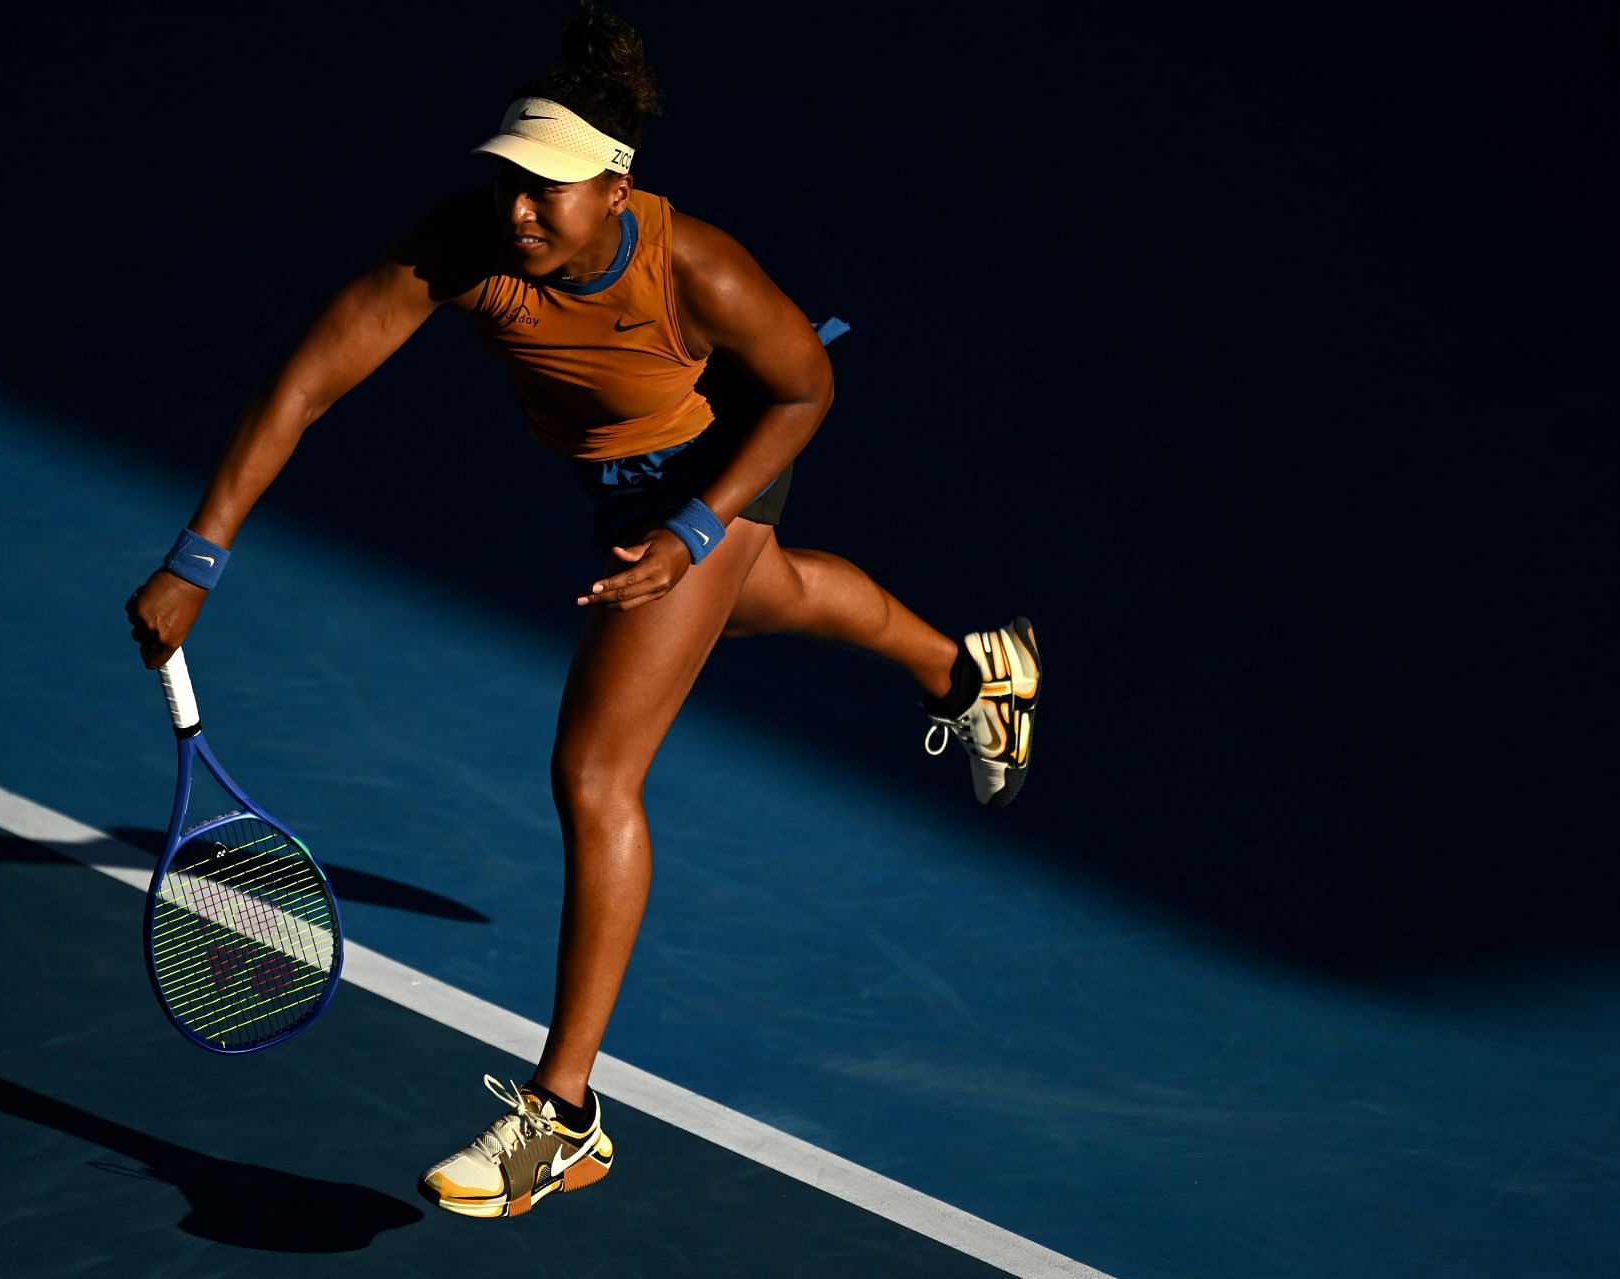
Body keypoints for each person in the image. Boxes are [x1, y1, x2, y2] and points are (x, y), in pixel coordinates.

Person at [123, 0, 1041, 1222]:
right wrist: (200, 554)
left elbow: (805, 388)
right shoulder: (465, 249)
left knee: (597, 773)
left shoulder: (695, 265)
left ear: (614, 185)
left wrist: (695, 532)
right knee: (771, 604)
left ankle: (562, 1116)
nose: (518, 210)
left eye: (546, 190)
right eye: (508, 181)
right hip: (630, 494)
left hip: (716, 473)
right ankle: (977, 675)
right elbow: (304, 385)